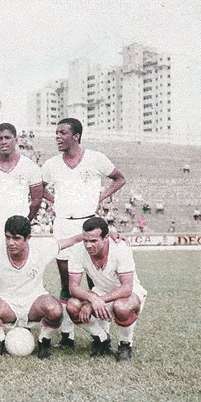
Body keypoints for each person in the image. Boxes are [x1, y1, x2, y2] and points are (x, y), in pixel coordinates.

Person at [42, 118, 126, 349]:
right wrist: (54, 202)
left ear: (76, 136)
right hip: (63, 225)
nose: (58, 137)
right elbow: (38, 188)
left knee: (93, 284)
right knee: (67, 283)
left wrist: (99, 197)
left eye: (63, 133)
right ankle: (67, 336)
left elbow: (119, 178)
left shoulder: (95, 158)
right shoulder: (51, 164)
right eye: (56, 133)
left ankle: (100, 336)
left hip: (88, 224)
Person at [0, 215, 84, 359]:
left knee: (55, 309)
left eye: (16, 238)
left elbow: (71, 241)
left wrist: (103, 234)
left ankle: (44, 340)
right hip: (6, 302)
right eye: (8, 237)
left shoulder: (41, 249)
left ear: (28, 238)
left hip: (34, 301)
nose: (11, 243)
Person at [67, 217, 147, 362]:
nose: (88, 245)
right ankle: (102, 339)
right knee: (73, 306)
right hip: (101, 291)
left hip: (129, 294)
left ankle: (125, 344)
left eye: (93, 241)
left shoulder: (120, 249)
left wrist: (96, 301)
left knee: (121, 306)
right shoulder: (77, 251)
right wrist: (93, 298)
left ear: (106, 237)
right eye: (85, 240)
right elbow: (73, 287)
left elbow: (126, 288)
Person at [0, 122, 43, 258]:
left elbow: (36, 200)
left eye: (7, 138)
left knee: (18, 267)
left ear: (16, 140)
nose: (3, 142)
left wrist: (24, 220)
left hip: (19, 225)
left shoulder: (29, 166)